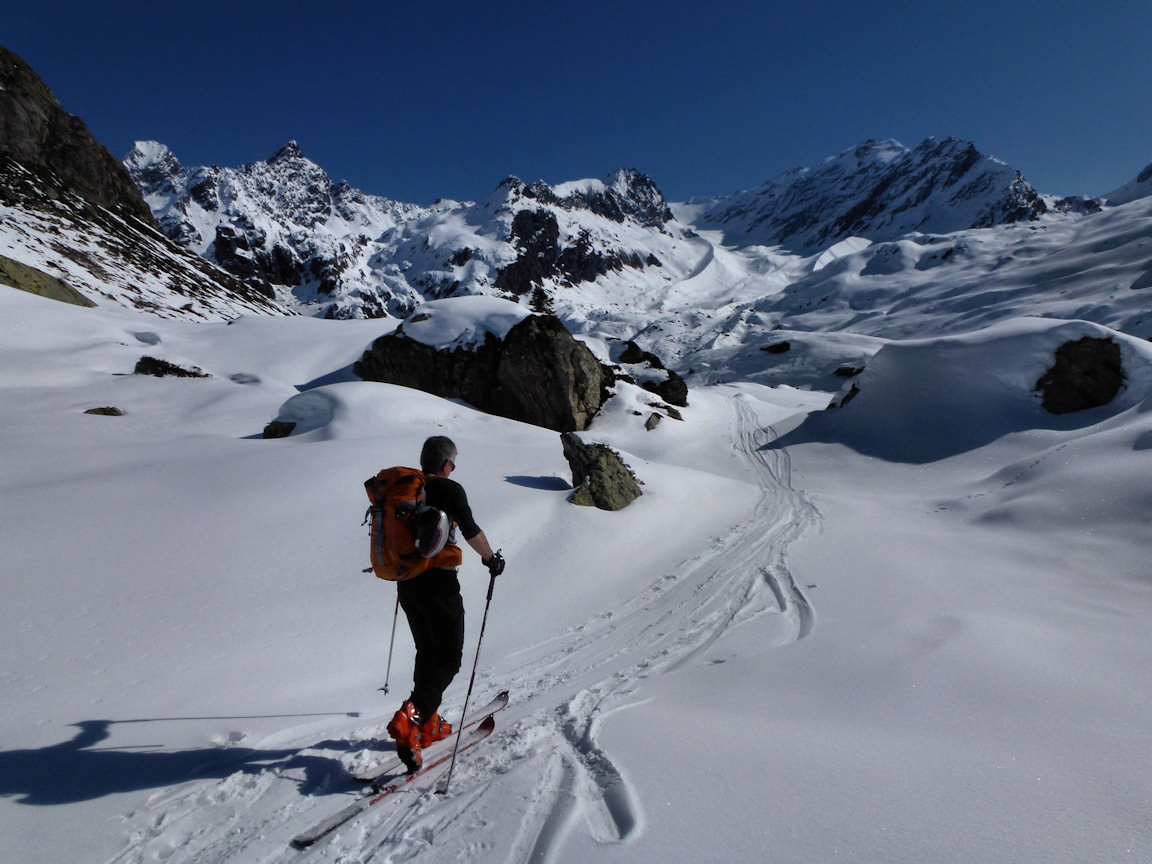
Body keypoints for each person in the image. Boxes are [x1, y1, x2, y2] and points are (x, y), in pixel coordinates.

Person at [386, 435, 504, 772]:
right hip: (438, 583)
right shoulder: (448, 489)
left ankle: (428, 722)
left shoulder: (409, 488)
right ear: (446, 464)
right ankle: (412, 718)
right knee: (449, 657)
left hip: (407, 584)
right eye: (453, 463)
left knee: (428, 653)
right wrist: (491, 559)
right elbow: (470, 530)